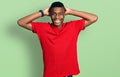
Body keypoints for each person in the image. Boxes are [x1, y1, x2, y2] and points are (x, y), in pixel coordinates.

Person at [17, 1, 98, 77]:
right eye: (53, 14)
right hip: (50, 74)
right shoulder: (42, 28)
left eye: (60, 14)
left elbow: (93, 18)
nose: (57, 17)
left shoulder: (73, 27)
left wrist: (71, 11)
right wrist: (42, 13)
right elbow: (21, 22)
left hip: (67, 74)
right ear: (49, 14)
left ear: (65, 14)